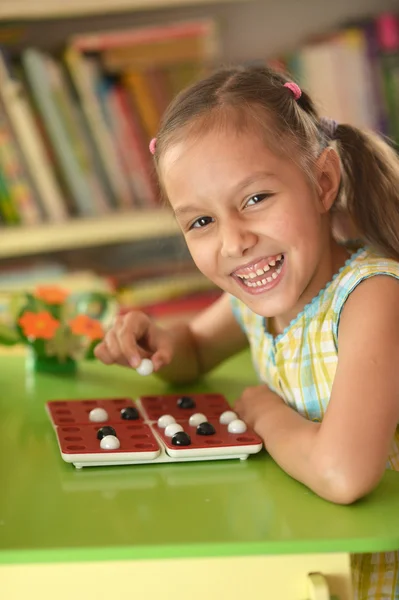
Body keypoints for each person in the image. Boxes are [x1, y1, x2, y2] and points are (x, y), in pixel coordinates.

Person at [95, 65, 399, 599]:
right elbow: (191, 349)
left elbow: (343, 474)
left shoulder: (374, 298)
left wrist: (262, 412)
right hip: (322, 560)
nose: (234, 241)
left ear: (322, 181)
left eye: (255, 199)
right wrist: (155, 342)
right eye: (200, 222)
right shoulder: (258, 301)